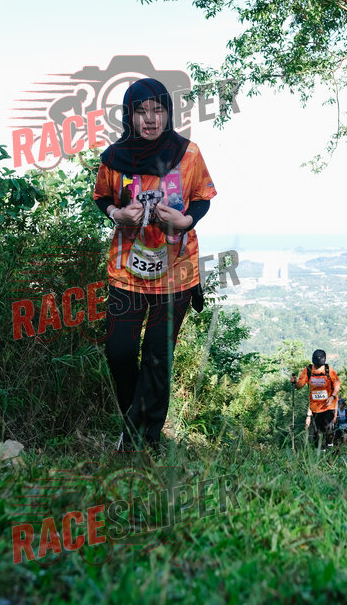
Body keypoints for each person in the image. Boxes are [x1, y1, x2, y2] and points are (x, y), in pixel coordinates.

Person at [93, 78, 217, 451]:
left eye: (158, 110)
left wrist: (186, 220)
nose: (150, 119)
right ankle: (135, 424)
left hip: (177, 270)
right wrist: (117, 214)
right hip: (126, 270)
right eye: (141, 111)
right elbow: (102, 197)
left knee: (158, 356)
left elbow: (202, 197)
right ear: (128, 116)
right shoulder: (114, 158)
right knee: (119, 352)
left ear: (168, 113)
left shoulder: (188, 154)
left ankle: (144, 439)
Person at [291, 349, 340, 450]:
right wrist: (295, 382)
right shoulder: (308, 371)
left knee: (328, 428)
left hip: (328, 405)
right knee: (317, 432)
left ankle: (330, 448)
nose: (317, 367)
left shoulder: (329, 370)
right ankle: (321, 451)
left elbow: (337, 385)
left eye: (319, 366)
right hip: (315, 408)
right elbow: (300, 385)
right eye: (316, 365)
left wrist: (332, 396)